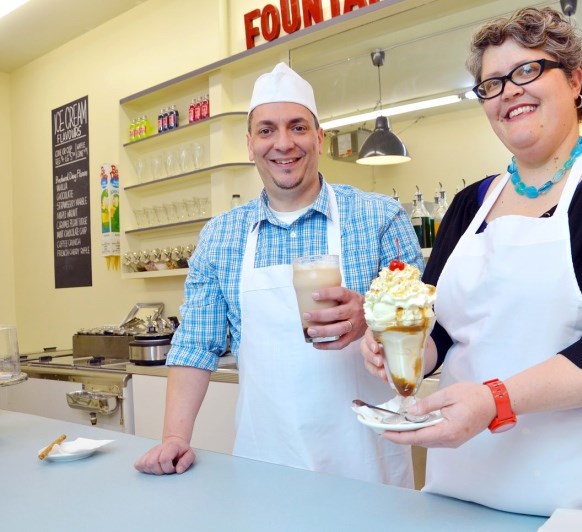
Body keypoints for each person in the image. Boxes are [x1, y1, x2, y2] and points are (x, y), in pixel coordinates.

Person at [360, 7, 582, 515]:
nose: (509, 91)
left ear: (576, 79)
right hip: (468, 485)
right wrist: (402, 350)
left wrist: (496, 401)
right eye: (492, 84)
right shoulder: (470, 204)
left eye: (528, 71)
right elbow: (445, 329)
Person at [135, 62, 422, 488]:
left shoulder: (380, 216)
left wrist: (374, 316)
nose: (283, 143)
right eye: (267, 130)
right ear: (249, 144)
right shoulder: (221, 236)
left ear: (319, 137)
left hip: (368, 469)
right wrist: (175, 437)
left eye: (298, 127)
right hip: (265, 465)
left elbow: (423, 322)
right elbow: (196, 343)